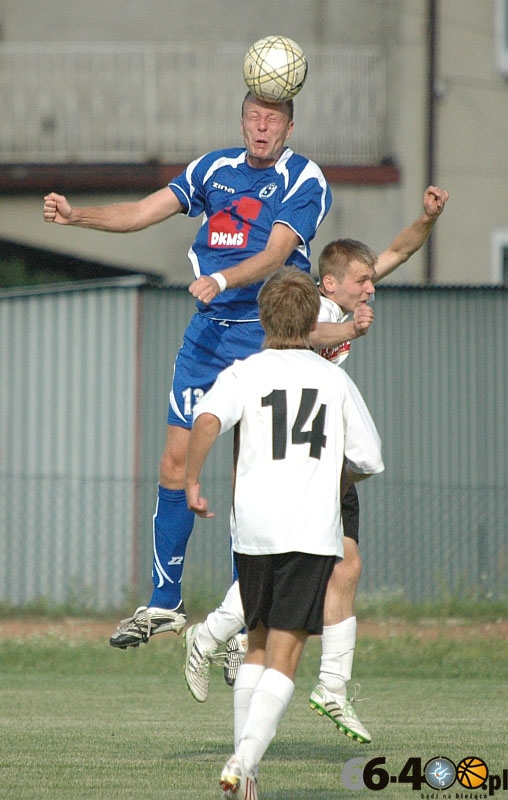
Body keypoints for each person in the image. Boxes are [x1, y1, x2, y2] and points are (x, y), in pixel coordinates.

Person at [43, 91, 332, 648]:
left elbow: (276, 254)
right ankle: (163, 602)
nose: (261, 127)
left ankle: (238, 620)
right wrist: (77, 216)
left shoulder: (305, 178)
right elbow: (141, 211)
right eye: (253, 116)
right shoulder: (213, 168)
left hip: (265, 335)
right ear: (242, 120)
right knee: (174, 460)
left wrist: (224, 280)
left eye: (272, 119)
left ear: (290, 126)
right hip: (207, 336)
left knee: (251, 476)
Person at [184, 186, 449, 744]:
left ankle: (323, 683)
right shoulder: (314, 308)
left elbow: (398, 250)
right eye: (361, 281)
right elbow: (298, 337)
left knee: (340, 567)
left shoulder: (344, 298)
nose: (371, 288)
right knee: (303, 563)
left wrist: (427, 219)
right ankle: (217, 637)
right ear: (330, 284)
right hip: (289, 462)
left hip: (321, 463)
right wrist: (348, 329)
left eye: (371, 280)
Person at [184, 267, 384, 799]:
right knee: (285, 653)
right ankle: (242, 759)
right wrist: (327, 473)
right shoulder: (334, 380)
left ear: (264, 318)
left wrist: (191, 483)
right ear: (312, 319)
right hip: (310, 531)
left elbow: (205, 422)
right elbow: (368, 457)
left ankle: (246, 781)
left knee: (254, 644)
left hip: (251, 531)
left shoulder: (244, 372)